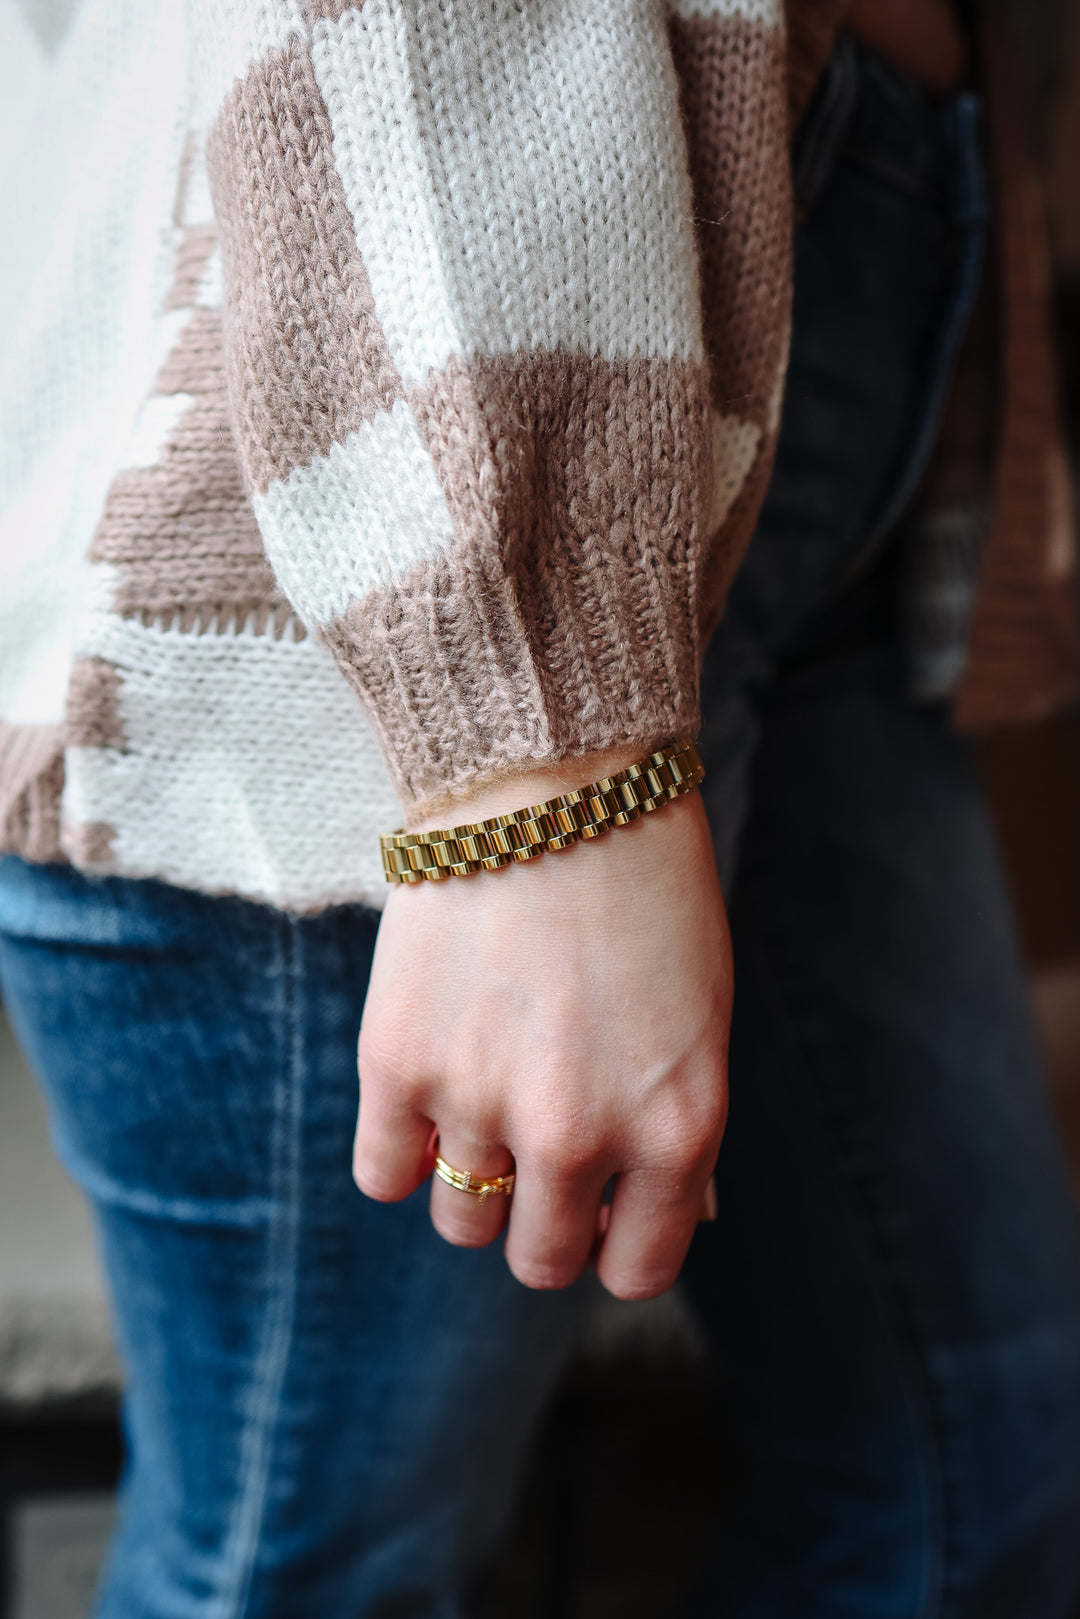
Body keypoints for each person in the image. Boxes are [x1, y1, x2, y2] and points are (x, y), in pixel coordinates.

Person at [1, 0, 1079, 1613]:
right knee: (311, 1572)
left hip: (831, 396)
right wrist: (538, 756)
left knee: (972, 1475)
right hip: (400, 542)